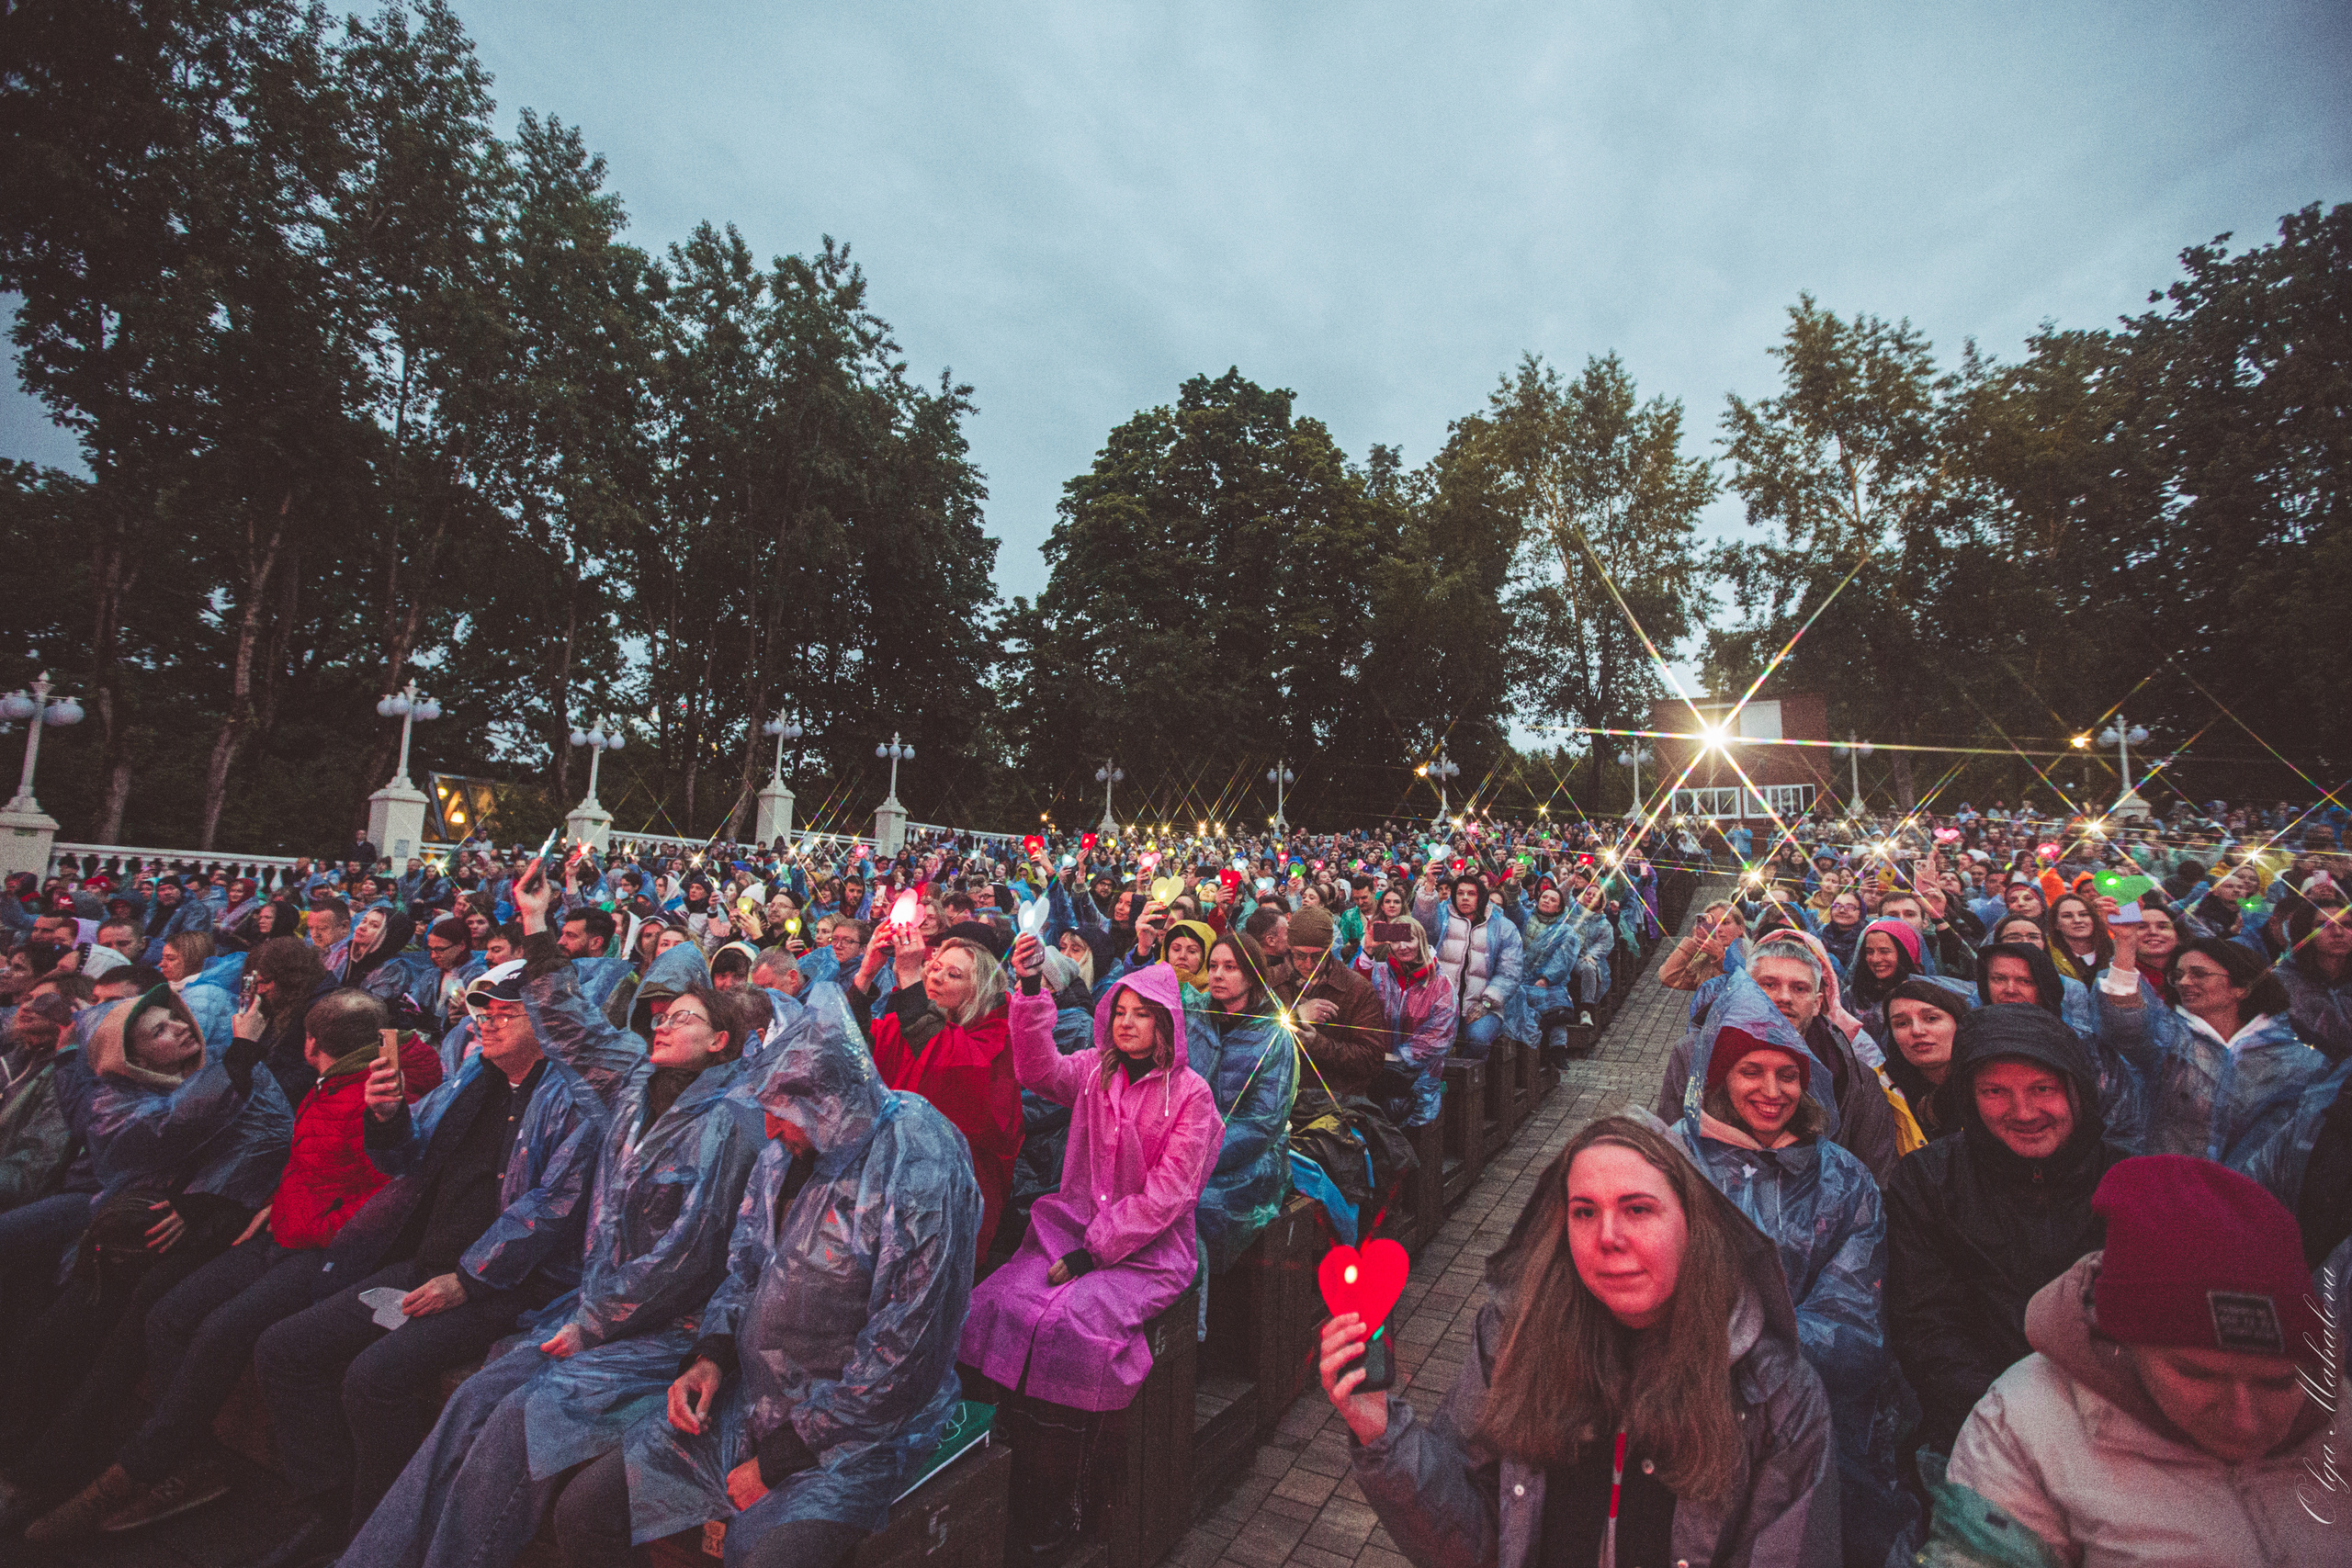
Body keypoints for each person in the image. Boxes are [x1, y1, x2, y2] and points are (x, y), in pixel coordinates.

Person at [337, 862, 768, 1568]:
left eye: (682, 1016)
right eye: (657, 1013)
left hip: (666, 1329)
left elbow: (686, 1255)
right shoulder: (632, 1082)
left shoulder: (734, 1120)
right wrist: (537, 925)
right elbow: (568, 1019)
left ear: (720, 1042)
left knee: (516, 1422)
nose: (660, 1021)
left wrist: (592, 1322)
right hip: (591, 1311)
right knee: (472, 1397)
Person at [560, 987, 983, 1568]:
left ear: (829, 1104)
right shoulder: (785, 1154)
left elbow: (904, 1350)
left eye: (783, 1112)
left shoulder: (916, 1161)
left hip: (862, 1430)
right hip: (760, 1399)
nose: (769, 1127)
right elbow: (745, 1267)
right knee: (586, 1508)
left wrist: (781, 1459)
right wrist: (709, 1357)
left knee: (763, 1555)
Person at [16, 991, 442, 1543]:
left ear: (310, 1044)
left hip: (319, 1248)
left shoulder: (362, 1087)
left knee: (219, 1331)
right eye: (158, 1030)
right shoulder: (311, 1078)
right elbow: (298, 1157)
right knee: (164, 1314)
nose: (176, 1029)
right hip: (264, 1224)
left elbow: (385, 1179)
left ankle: (137, 1470)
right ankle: (169, 1459)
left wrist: (268, 1200)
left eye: (175, 1019)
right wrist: (275, 1197)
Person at [1330, 1112, 1838, 1568]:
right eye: (1584, 1212)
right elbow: (1479, 1539)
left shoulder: (1776, 1395)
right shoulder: (1514, 1342)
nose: (1607, 1236)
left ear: (1694, 1223)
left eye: (1638, 1209)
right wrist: (1380, 1432)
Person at [244, 958, 607, 1567]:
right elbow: (406, 1157)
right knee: (285, 1348)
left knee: (374, 1378)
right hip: (431, 1264)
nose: (487, 1022)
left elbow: (552, 1210)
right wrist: (385, 1116)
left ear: (548, 1022)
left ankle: (377, 1539)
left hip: (514, 1286)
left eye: (506, 1011)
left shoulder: (573, 1096)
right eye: (481, 1008)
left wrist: (467, 1280)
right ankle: (332, 1506)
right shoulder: (475, 1073)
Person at [1944, 1156, 2342, 1566]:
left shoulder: (2342, 1424)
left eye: (2278, 1383)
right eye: (2196, 1373)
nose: (2245, 1420)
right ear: (2125, 1340)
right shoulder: (2024, 1429)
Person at [958, 944, 1220, 1558]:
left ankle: (1063, 1498)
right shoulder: (1095, 1070)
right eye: (1119, 1010)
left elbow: (1168, 1196)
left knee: (1075, 1329)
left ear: (1166, 1023)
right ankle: (1001, 1476)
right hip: (1070, 1230)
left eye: (1142, 1013)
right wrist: (1027, 989)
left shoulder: (1191, 1094)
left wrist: (1095, 1250)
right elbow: (1038, 1070)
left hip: (1148, 1251)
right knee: (994, 1303)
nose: (1127, 1022)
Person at [1671, 975, 1918, 1567]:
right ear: (1720, 1078)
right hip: (1679, 1405)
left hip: (1805, 1415)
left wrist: (1737, 1354)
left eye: (1788, 1074)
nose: (1772, 1090)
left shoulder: (1844, 1180)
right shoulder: (1669, 1160)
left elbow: (1852, 1314)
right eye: (1751, 1071)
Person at [1883, 1004, 2129, 1457]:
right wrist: (2011, 1424)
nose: (2024, 1111)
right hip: (1981, 1428)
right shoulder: (1930, 1181)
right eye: (1995, 1091)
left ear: (2077, 1090)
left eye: (2043, 1088)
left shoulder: (2127, 1182)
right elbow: (1927, 1324)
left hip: (2114, 1432)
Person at [1656, 931, 1905, 1181]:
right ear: (1743, 990)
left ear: (1818, 1003)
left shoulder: (1852, 1076)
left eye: (1799, 988)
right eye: (1768, 984)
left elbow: (1874, 1174)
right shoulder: (1694, 1054)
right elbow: (1667, 1153)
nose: (1784, 997)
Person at [2097, 930, 2326, 1164]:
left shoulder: (2296, 1059)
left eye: (2199, 974)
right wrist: (2125, 945)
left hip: (2249, 1193)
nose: (2184, 982)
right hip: (2170, 1186)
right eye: (2178, 974)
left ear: (2241, 988)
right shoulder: (2165, 1039)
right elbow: (2125, 1025)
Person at [859, 934, 1020, 1262]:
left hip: (945, 1198)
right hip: (885, 1182)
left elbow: (952, 1069)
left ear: (980, 990)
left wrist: (907, 979)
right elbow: (849, 1048)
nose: (935, 976)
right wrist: (865, 976)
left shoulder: (998, 1037)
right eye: (933, 967)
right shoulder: (903, 1024)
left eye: (953, 974)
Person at [1191, 932, 1296, 1274]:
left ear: (1251, 975)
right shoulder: (1197, 1019)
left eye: (1230, 967)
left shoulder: (1273, 1035)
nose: (1217, 974)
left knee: (1199, 1206)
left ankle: (1209, 1305)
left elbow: (1262, 1123)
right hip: (1191, 1145)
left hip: (1251, 1156)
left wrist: (1199, 1158)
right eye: (1213, 966)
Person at [1274, 905, 1393, 1114]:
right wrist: (1296, 1016)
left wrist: (1318, 1044)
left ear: (1329, 949)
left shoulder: (1355, 988)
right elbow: (1247, 1034)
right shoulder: (1271, 981)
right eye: (1300, 955)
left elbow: (1372, 1059)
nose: (1308, 964)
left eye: (1318, 956)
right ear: (1289, 948)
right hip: (1279, 1102)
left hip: (1338, 1104)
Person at [1353, 915, 1455, 1129]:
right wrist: (1368, 951)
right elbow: (1355, 996)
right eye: (1396, 940)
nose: (1403, 946)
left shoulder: (1440, 984)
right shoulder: (1380, 973)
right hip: (1378, 1071)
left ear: (1421, 940)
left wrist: (1401, 1057)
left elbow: (1439, 1034)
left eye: (1409, 939)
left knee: (1414, 1135)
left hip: (1419, 1077)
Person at [1412, 872, 1522, 1060]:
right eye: (1460, 893)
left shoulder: (1503, 927)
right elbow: (1424, 927)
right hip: (1441, 1002)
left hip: (1484, 1004)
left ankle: (1474, 1083)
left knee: (1478, 1040)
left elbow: (1509, 972)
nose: (1464, 898)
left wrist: (1487, 1004)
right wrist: (1428, 889)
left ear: (1481, 897)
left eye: (1471, 893)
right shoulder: (1444, 918)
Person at [1878, 978, 1972, 1138]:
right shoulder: (1877, 1089)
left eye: (1931, 1019)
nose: (1917, 1031)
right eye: (1901, 1023)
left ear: (1958, 1023)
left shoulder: (1990, 1081)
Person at [1498, 881, 1578, 1061]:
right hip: (1517, 975)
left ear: (1559, 907)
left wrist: (1546, 978)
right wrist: (1512, 884)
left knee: (1553, 1006)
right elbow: (1513, 907)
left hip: (1548, 981)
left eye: (1553, 899)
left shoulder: (1565, 931)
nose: (1547, 901)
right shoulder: (1525, 917)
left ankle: (1556, 1050)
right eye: (1544, 897)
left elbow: (1562, 959)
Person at [2276, 886, 2352, 1062]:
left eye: (2347, 925)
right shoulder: (2282, 982)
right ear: (2305, 932)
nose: (2338, 933)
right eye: (2324, 925)